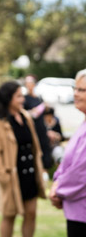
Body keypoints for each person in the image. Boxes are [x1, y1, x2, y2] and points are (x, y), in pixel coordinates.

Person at [0, 81, 46, 237]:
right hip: (11, 177)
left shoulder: (26, 116)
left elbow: (34, 145)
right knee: (9, 216)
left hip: (30, 175)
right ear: (8, 98)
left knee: (31, 213)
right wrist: (3, 177)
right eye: (19, 96)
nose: (23, 100)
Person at [49, 69, 86, 237]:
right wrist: (57, 181)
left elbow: (81, 170)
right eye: (75, 89)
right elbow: (68, 161)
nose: (75, 94)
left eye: (82, 90)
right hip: (76, 210)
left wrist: (59, 190)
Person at [24, 75, 53, 170]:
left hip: (41, 128)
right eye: (27, 83)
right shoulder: (25, 98)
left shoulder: (39, 97)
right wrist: (39, 108)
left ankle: (45, 169)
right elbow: (28, 114)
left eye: (31, 83)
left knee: (44, 147)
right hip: (32, 128)